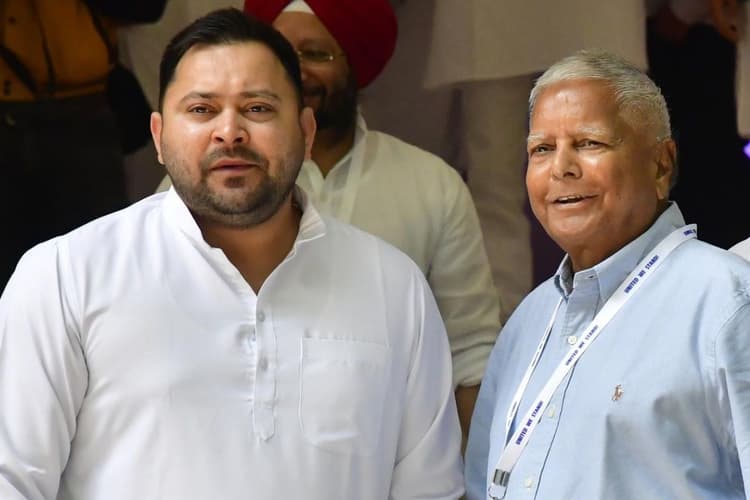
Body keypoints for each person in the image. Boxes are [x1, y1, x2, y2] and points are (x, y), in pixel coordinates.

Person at [0, 9, 464, 500]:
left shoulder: (393, 286)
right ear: (159, 136)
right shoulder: (66, 277)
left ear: (306, 132)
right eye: (201, 110)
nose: (230, 132)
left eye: (258, 108)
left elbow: (430, 491)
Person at [465, 49, 750, 499]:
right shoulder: (527, 321)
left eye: (589, 143)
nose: (561, 167)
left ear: (661, 164)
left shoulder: (727, 302)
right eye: (542, 149)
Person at [236, 0, 501, 438]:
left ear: (355, 65)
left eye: (316, 54)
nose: (295, 70)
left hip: (387, 452)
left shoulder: (430, 184)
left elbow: (469, 354)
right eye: (281, 54)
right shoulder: (219, 178)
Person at [362, 0, 648, 314]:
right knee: (495, 184)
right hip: (492, 21)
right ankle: (506, 320)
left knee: (606, 174)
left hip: (578, 17)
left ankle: (619, 309)